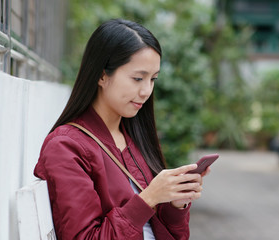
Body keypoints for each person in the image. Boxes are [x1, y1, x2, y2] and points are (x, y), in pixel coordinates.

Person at [34, 19, 209, 240]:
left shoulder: (133, 138)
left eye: (153, 79)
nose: (146, 91)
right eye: (138, 78)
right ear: (101, 75)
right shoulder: (66, 147)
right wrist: (148, 199)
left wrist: (176, 202)